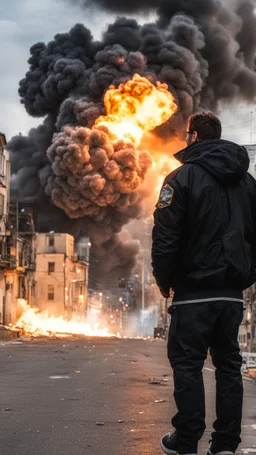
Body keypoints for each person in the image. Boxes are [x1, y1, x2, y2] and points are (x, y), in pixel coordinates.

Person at [152, 111, 256, 455]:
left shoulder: (180, 178)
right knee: (229, 366)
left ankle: (186, 441)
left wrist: (164, 280)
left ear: (193, 137)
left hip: (192, 293)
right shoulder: (248, 182)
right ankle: (225, 445)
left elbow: (165, 236)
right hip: (231, 296)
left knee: (187, 364)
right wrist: (244, 276)